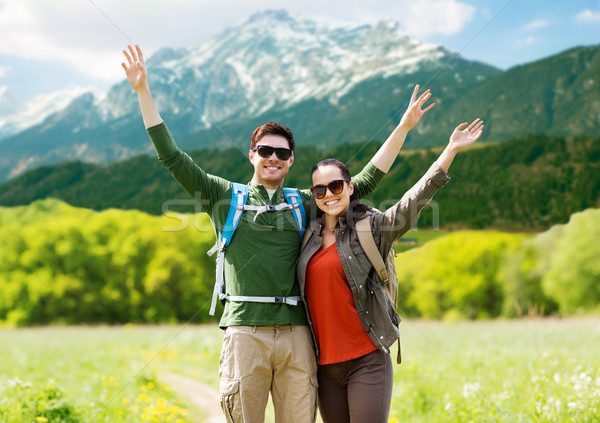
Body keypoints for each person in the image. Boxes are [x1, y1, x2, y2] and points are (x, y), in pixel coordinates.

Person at [121, 43, 435, 422]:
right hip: (244, 332)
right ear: (251, 154)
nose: (273, 157)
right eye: (265, 150)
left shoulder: (305, 200)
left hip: (297, 335)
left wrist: (402, 127)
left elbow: (363, 181)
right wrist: (143, 92)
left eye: (282, 153)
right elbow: (172, 157)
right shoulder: (224, 196)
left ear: (291, 161)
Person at [296, 119, 484, 423]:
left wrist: (450, 150)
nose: (328, 194)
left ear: (350, 186)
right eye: (320, 189)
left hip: (367, 359)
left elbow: (413, 201)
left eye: (335, 185)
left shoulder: (372, 227)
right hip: (323, 366)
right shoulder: (306, 236)